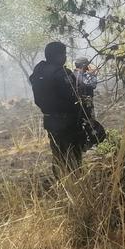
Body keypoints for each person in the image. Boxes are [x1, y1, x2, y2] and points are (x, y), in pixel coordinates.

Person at [29, 42, 86, 178]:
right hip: (68, 122)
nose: (65, 57)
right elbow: (75, 96)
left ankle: (61, 183)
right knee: (74, 155)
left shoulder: (39, 72)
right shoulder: (62, 73)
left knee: (58, 154)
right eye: (64, 54)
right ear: (57, 55)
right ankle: (77, 184)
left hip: (50, 121)